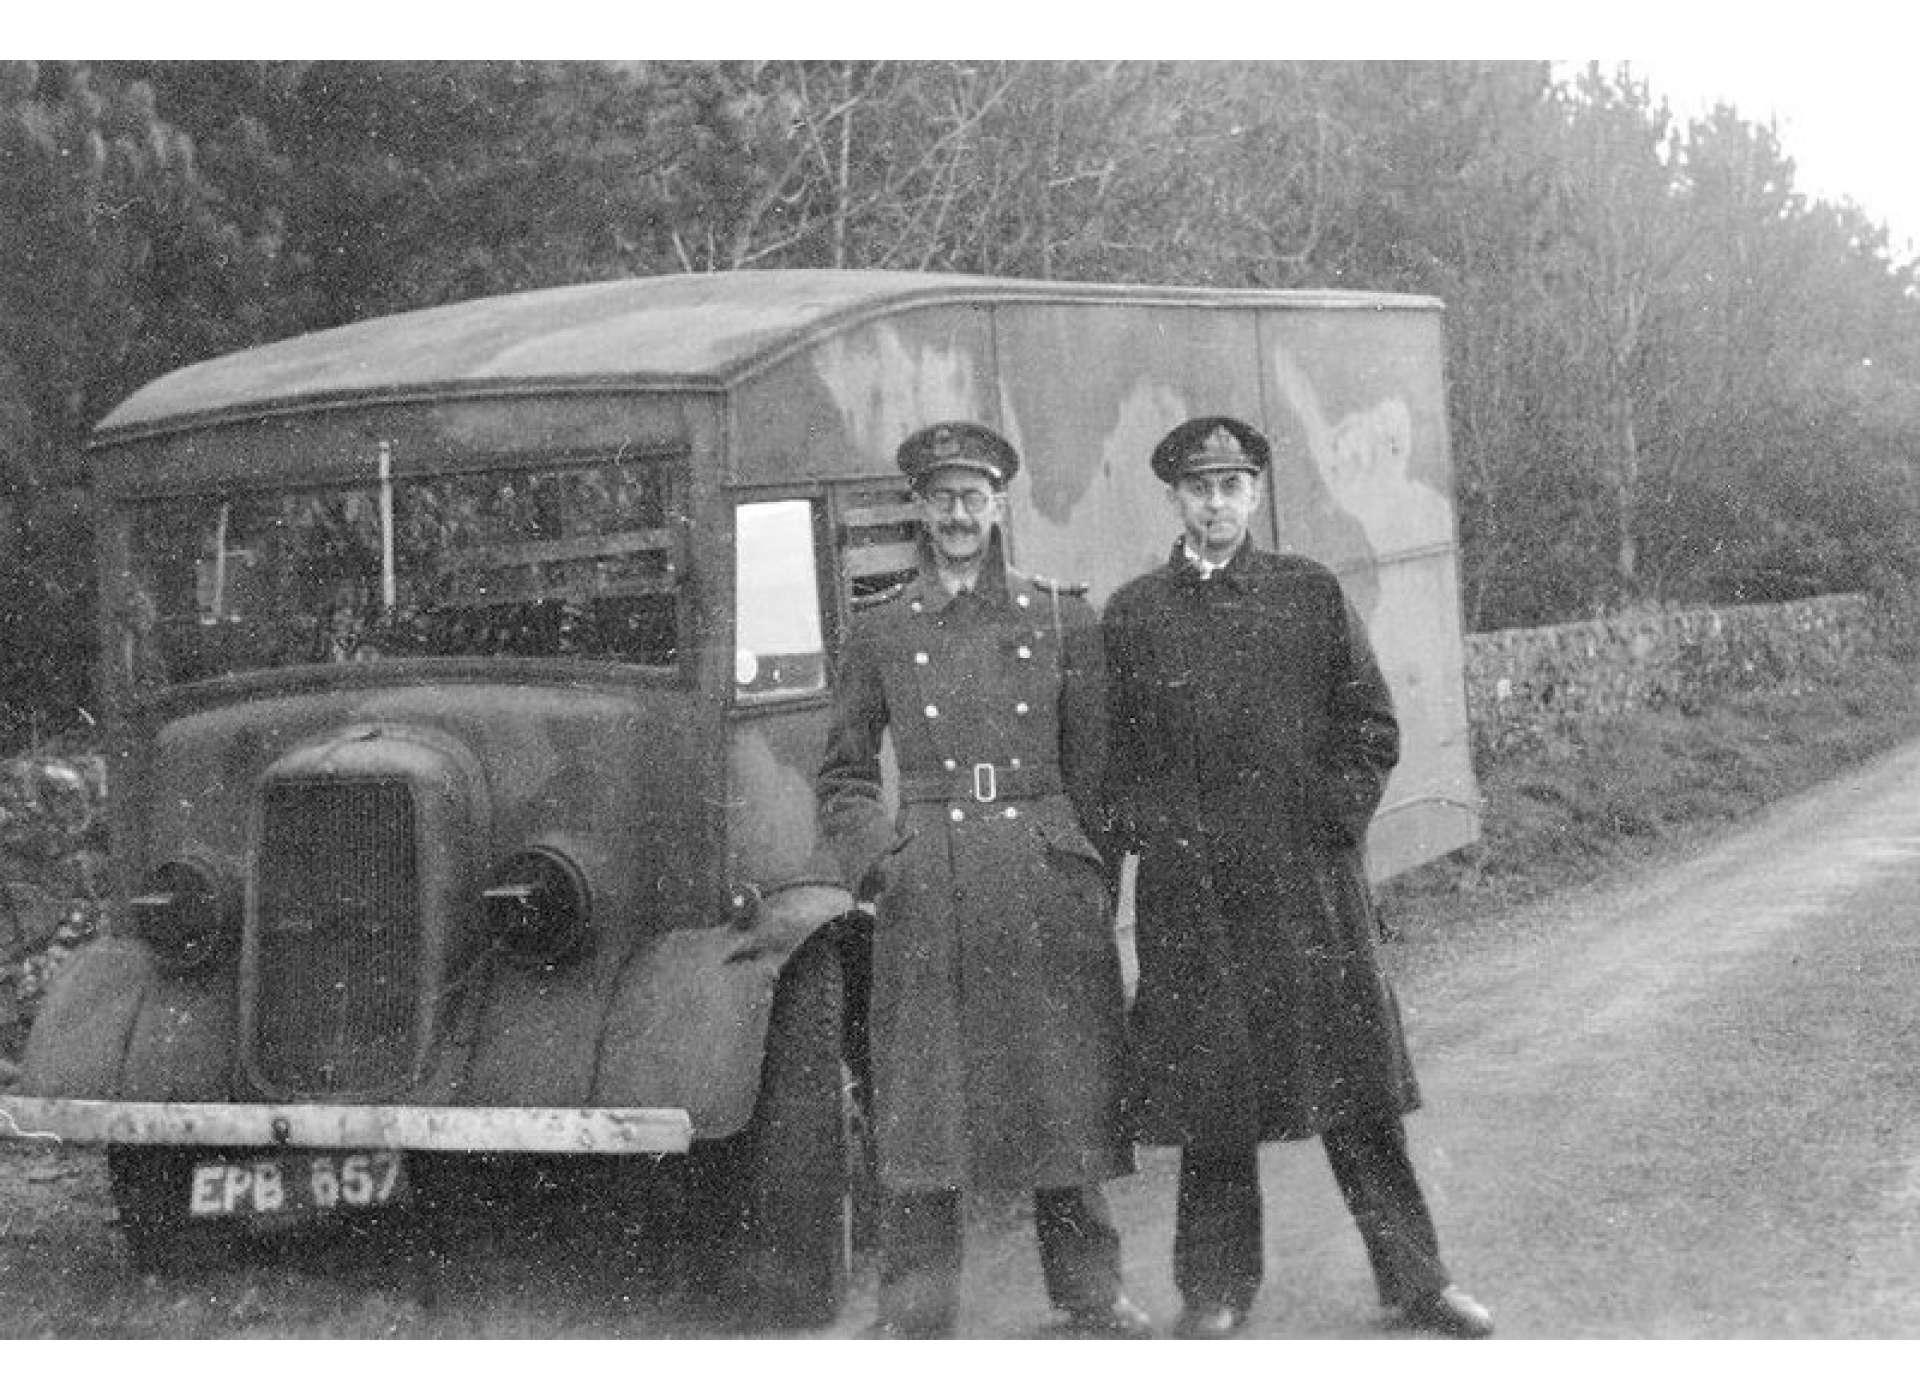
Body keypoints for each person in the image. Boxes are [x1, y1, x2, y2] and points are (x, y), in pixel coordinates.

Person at [1100, 415, 1493, 1341]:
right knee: (1215, 1104)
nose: (1216, 504)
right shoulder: (1135, 614)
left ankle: (1417, 1280)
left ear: (1255, 495)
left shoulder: (1309, 595)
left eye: (1232, 486)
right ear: (1174, 500)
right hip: (1194, 902)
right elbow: (1113, 761)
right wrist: (1155, 836)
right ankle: (1215, 1292)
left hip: (1308, 890)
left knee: (1358, 1096)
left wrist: (1325, 822)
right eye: (1199, 489)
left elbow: (1371, 728)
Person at [817, 420, 1151, 1340]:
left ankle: (1090, 1292)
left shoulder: (1058, 617)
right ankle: (917, 1311)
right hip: (930, 880)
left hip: (1043, 875)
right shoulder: (882, 629)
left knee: (1063, 1081)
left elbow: (1100, 773)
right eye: (941, 499)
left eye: (974, 498)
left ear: (999, 504)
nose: (958, 515)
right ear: (919, 510)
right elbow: (844, 774)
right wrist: (882, 865)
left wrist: (1083, 869)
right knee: (922, 1094)